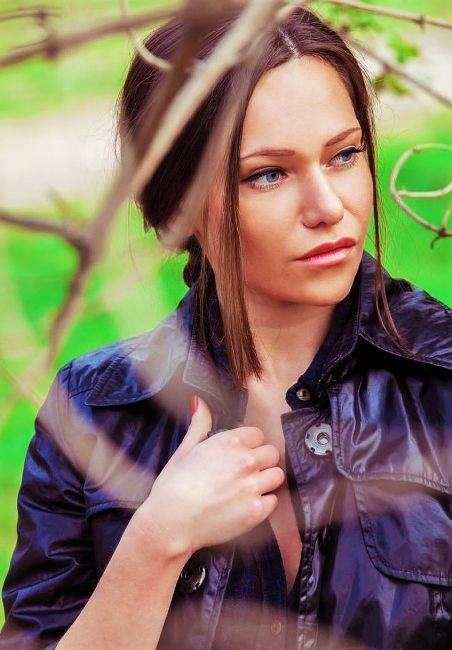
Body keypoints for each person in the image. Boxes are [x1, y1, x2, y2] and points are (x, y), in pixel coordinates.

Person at [1, 6, 451, 650]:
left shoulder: (443, 384)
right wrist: (157, 542)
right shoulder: (93, 414)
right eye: (268, 174)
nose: (328, 207)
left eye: (344, 155)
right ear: (177, 207)